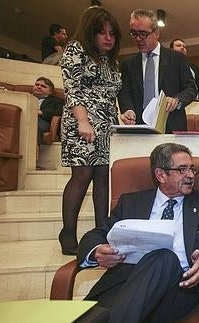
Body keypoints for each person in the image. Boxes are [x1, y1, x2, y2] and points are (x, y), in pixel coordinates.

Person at [77, 143, 199, 322]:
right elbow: (95, 235)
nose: (190, 175)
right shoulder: (131, 202)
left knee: (164, 257)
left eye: (192, 169)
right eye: (182, 170)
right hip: (126, 282)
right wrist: (97, 251)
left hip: (177, 289)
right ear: (160, 174)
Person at [59, 6, 122, 255]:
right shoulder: (75, 50)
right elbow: (72, 88)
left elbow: (111, 95)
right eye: (101, 33)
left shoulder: (112, 60)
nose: (108, 38)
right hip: (80, 120)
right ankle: (67, 231)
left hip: (106, 124)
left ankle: (101, 231)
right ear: (90, 32)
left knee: (103, 177)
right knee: (82, 175)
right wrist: (83, 121)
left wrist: (122, 115)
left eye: (112, 33)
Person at [118, 9, 197, 133]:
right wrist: (128, 110)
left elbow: (191, 89)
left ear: (157, 33)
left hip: (171, 125)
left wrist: (176, 100)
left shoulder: (177, 58)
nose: (138, 39)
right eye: (134, 33)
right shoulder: (127, 64)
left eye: (143, 34)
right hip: (137, 128)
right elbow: (124, 93)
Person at [33, 77, 63, 145]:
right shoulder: (25, 96)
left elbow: (59, 112)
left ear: (50, 91)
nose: (38, 87)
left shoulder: (57, 101)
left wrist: (41, 112)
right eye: (37, 85)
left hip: (42, 121)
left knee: (34, 127)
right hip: (23, 118)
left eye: (43, 86)